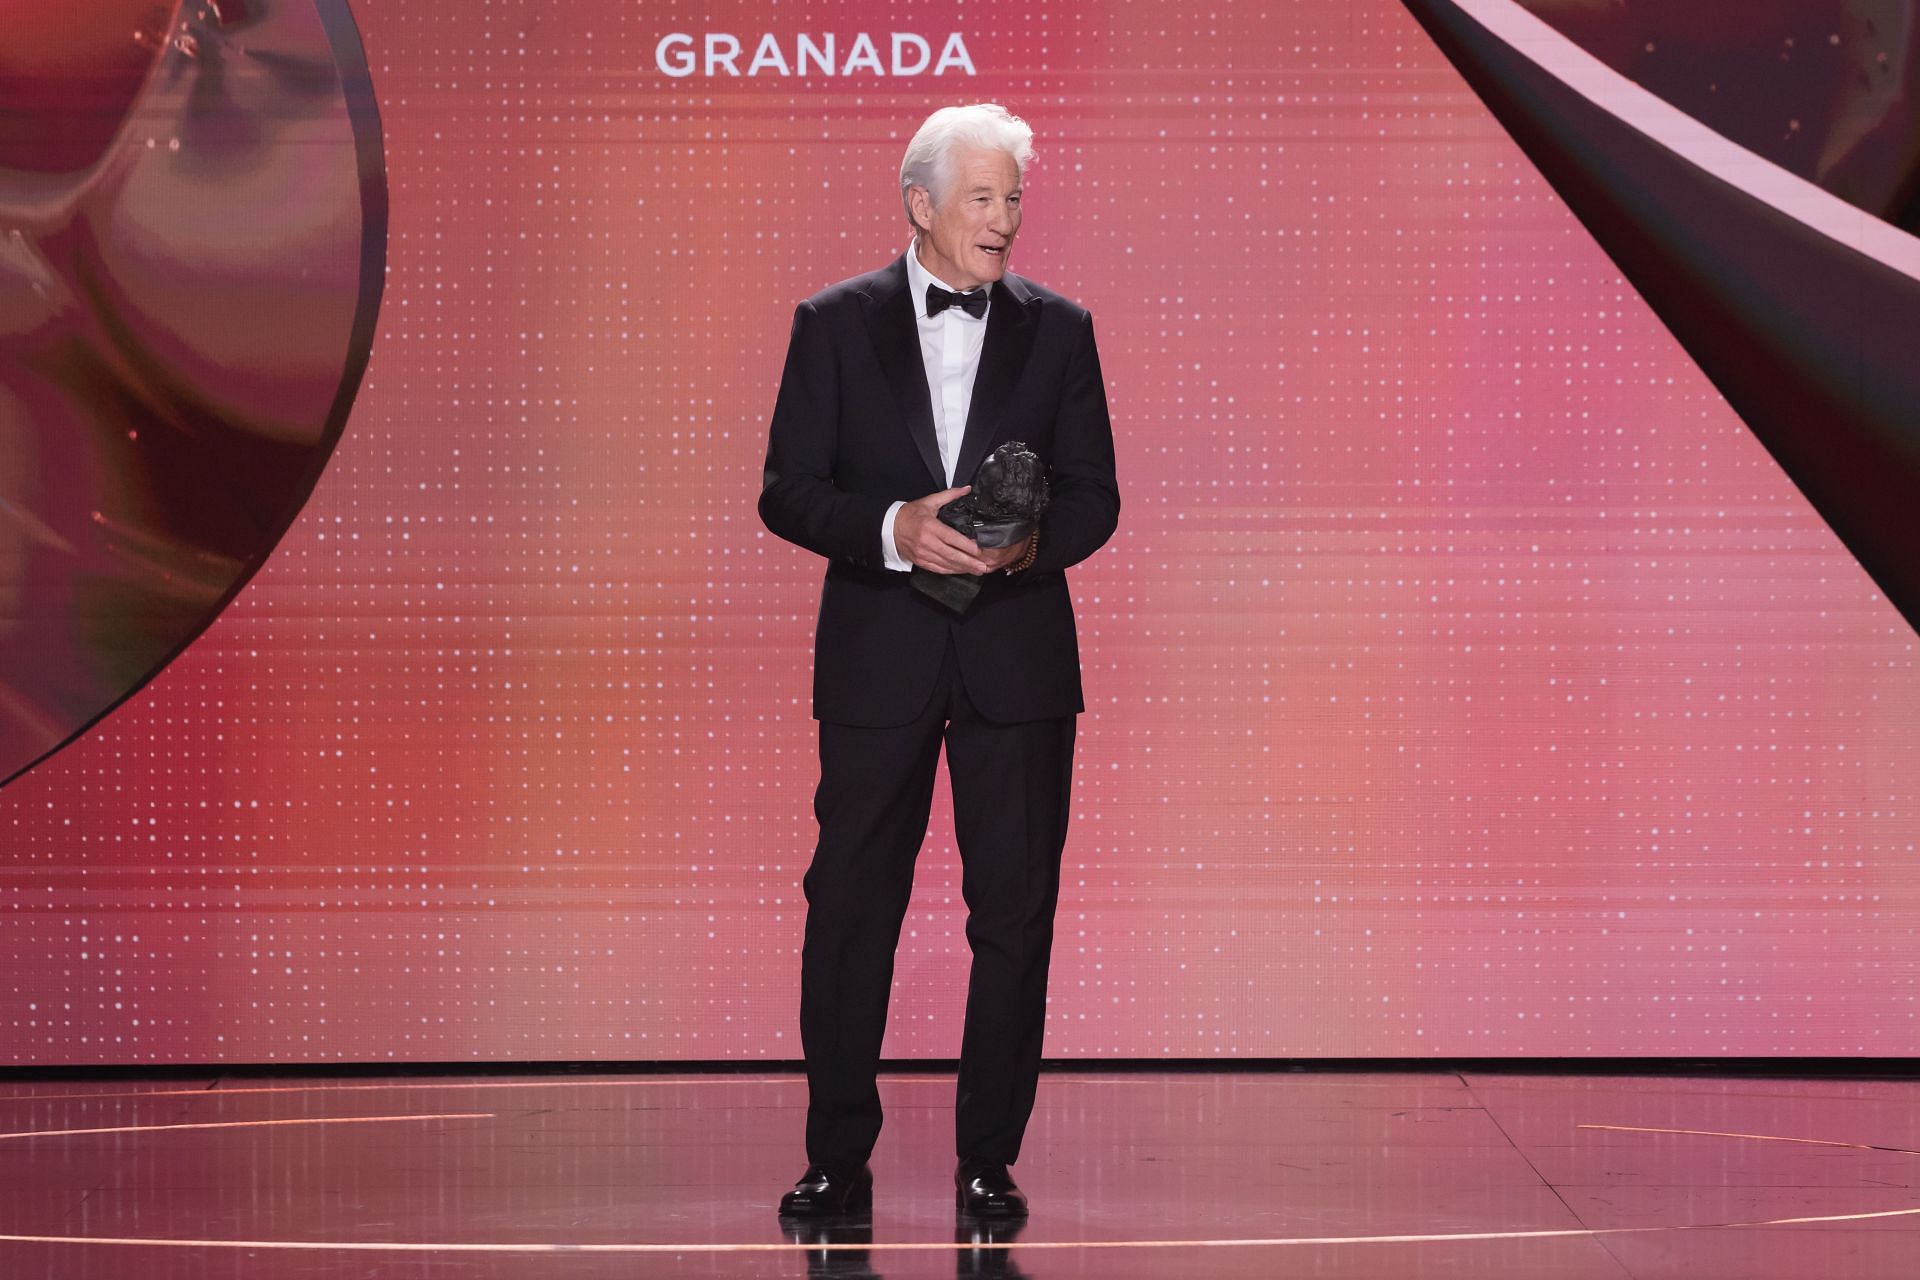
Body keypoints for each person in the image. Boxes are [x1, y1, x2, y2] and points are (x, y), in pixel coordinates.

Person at [758, 102, 1119, 1221]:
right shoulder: (832, 323)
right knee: (850, 902)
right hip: (880, 653)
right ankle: (837, 1158)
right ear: (921, 204)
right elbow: (786, 488)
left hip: (1017, 661)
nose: (1005, 217)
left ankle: (987, 1159)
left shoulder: (1060, 329)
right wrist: (893, 529)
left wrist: (1025, 547)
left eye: (1014, 197)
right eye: (983, 196)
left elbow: (1098, 495)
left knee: (1014, 911)